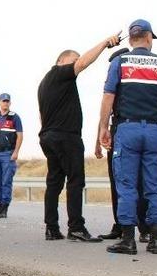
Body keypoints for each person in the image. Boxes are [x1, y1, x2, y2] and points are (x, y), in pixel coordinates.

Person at [99, 19, 157, 255]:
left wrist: (104, 128)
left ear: (132, 39)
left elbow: (108, 97)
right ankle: (155, 240)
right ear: (148, 38)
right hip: (155, 131)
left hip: (127, 129)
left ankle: (128, 240)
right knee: (155, 186)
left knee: (126, 186)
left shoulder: (119, 62)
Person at [38, 31, 122, 242]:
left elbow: (41, 114)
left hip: (49, 135)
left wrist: (49, 132)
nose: (76, 64)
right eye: (72, 61)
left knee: (54, 182)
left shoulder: (44, 83)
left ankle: (51, 228)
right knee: (75, 181)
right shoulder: (59, 74)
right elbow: (84, 62)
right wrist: (104, 43)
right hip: (66, 137)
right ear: (61, 61)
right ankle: (76, 227)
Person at [95, 48, 150, 242]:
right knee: (117, 182)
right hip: (115, 132)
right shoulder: (114, 84)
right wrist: (98, 141)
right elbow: (105, 112)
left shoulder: (135, 82)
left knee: (139, 183)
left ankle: (145, 227)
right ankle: (120, 224)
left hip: (133, 132)